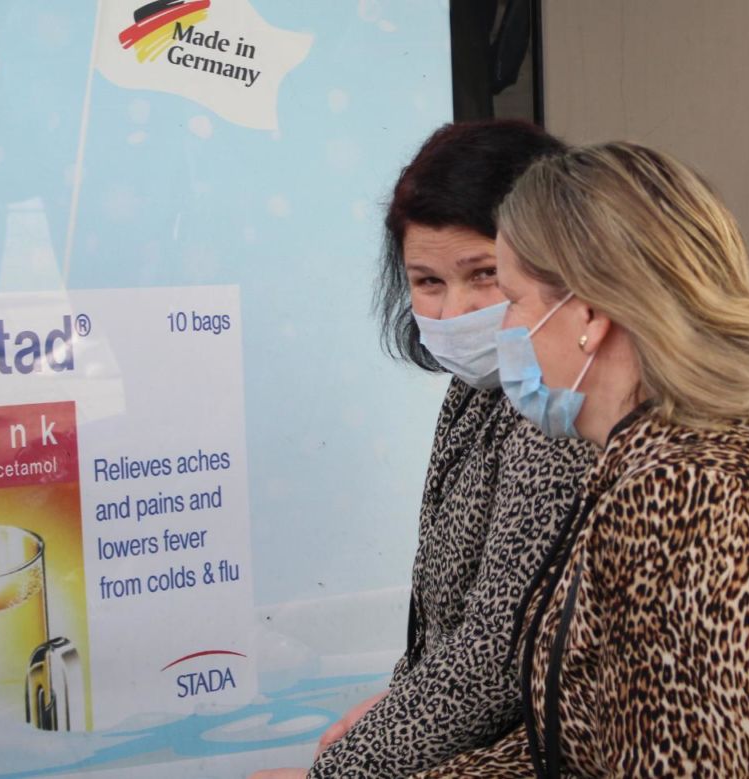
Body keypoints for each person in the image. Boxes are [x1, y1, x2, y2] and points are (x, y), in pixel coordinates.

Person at [414, 142, 749, 778]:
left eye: (512, 299)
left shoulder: (689, 497)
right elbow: (586, 743)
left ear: (588, 314)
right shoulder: (694, 464)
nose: (500, 327)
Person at [252, 122, 597, 779]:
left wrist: (344, 771)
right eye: (428, 281)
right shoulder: (477, 387)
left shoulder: (558, 408)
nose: (454, 310)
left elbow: (496, 658)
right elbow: (445, 627)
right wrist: (394, 709)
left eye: (485, 275)